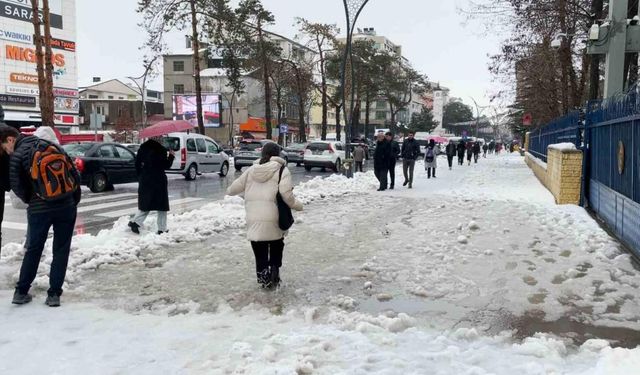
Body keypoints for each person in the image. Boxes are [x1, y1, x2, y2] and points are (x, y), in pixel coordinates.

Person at [1, 124, 81, 307]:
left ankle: (21, 292)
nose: (7, 151)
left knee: (34, 250)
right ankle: (54, 295)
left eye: (5, 147)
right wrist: (72, 199)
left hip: (39, 209)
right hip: (66, 206)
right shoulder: (51, 145)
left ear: (11, 139)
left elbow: (17, 186)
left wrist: (34, 200)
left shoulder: (18, 155)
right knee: (61, 249)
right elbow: (75, 174)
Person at [227, 143, 303, 289]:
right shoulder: (282, 170)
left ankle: (264, 281)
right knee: (276, 245)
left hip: (253, 218)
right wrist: (298, 205)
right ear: (278, 154)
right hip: (273, 217)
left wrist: (229, 189)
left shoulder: (251, 170)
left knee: (259, 252)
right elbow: (286, 195)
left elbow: (233, 189)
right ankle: (275, 273)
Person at [129, 138, 175, 235]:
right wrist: (171, 156)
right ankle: (162, 229)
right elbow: (165, 165)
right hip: (158, 180)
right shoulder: (160, 150)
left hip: (145, 179)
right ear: (158, 139)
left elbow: (137, 164)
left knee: (146, 203)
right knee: (162, 206)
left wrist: (141, 176)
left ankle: (135, 222)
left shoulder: (142, 149)